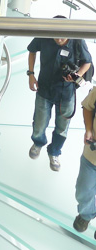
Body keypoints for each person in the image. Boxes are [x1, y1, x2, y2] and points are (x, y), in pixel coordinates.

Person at [27, 22, 91, 171]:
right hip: (44, 89)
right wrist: (31, 74)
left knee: (62, 128)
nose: (59, 40)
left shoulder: (77, 40)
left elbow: (87, 62)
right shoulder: (45, 35)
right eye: (56, 37)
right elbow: (31, 50)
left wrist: (77, 76)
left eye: (62, 38)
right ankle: (38, 143)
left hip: (66, 92)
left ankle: (54, 152)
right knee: (39, 123)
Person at [73, 86, 96, 234]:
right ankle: (86, 214)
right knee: (82, 191)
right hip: (91, 156)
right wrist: (88, 129)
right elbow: (87, 107)